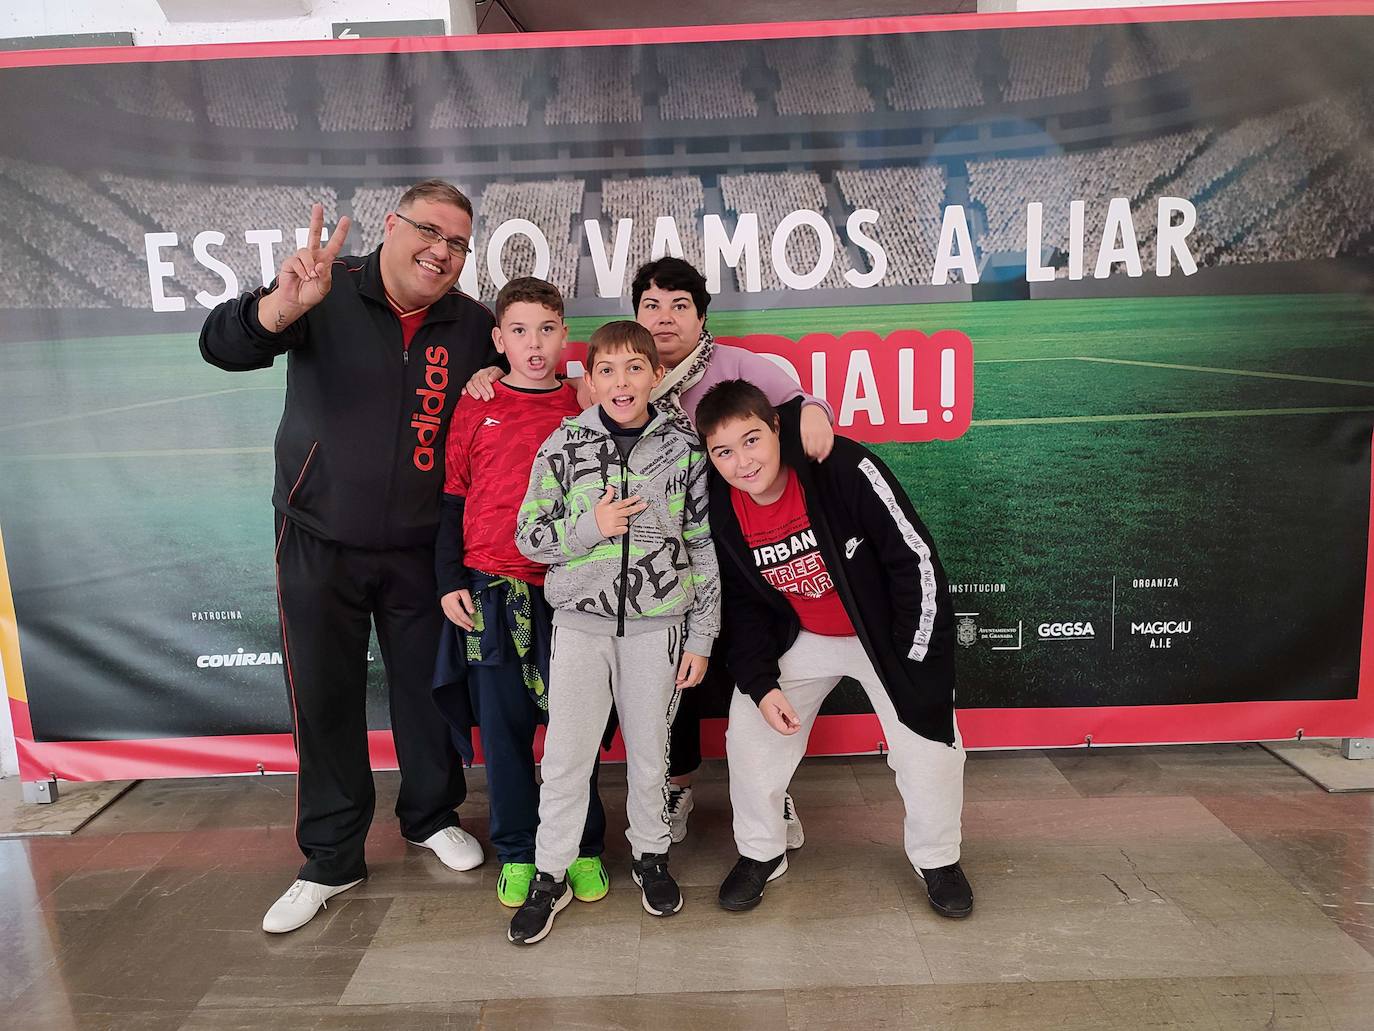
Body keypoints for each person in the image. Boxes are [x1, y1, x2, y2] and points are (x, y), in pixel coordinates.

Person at [199, 181, 500, 934]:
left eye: (458, 243)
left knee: (428, 693)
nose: (442, 251)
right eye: (430, 231)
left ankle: (431, 815)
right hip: (316, 535)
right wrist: (282, 305)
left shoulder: (472, 324)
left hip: (420, 547)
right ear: (391, 226)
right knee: (325, 696)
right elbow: (222, 345)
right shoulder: (324, 288)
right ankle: (331, 855)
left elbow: (521, 391)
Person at [466, 256, 836, 845]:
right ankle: (649, 806)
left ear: (700, 315)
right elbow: (533, 513)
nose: (664, 318)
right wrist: (485, 377)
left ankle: (759, 799)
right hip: (606, 605)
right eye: (651, 305)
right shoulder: (582, 417)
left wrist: (814, 409)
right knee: (628, 730)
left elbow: (792, 400)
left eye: (679, 305)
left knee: (736, 669)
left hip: (727, 551)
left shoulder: (728, 375)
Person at [696, 380, 973, 919]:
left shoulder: (841, 467)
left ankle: (938, 859)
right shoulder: (721, 504)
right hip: (802, 635)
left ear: (778, 428)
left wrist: (914, 658)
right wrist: (761, 683)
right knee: (749, 735)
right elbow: (744, 603)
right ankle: (762, 852)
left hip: (883, 636)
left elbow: (913, 559)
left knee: (930, 748)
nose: (742, 463)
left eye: (752, 440)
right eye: (723, 451)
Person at [506, 321, 720, 945]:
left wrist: (702, 637)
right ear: (589, 378)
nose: (621, 382)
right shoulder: (563, 446)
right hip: (578, 629)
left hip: (659, 632)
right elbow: (528, 538)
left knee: (652, 754)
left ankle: (652, 856)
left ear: (656, 375)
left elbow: (703, 548)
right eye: (607, 370)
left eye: (634, 368)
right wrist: (592, 529)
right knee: (567, 758)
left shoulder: (684, 450)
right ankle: (552, 873)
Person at [433, 277, 609, 910]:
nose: (534, 345)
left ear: (566, 335)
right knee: (504, 730)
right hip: (489, 588)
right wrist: (449, 578)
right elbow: (453, 498)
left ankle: (584, 845)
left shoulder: (583, 405)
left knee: (574, 727)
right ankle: (516, 849)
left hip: (572, 589)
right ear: (498, 339)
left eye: (547, 330)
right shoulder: (474, 403)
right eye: (519, 331)